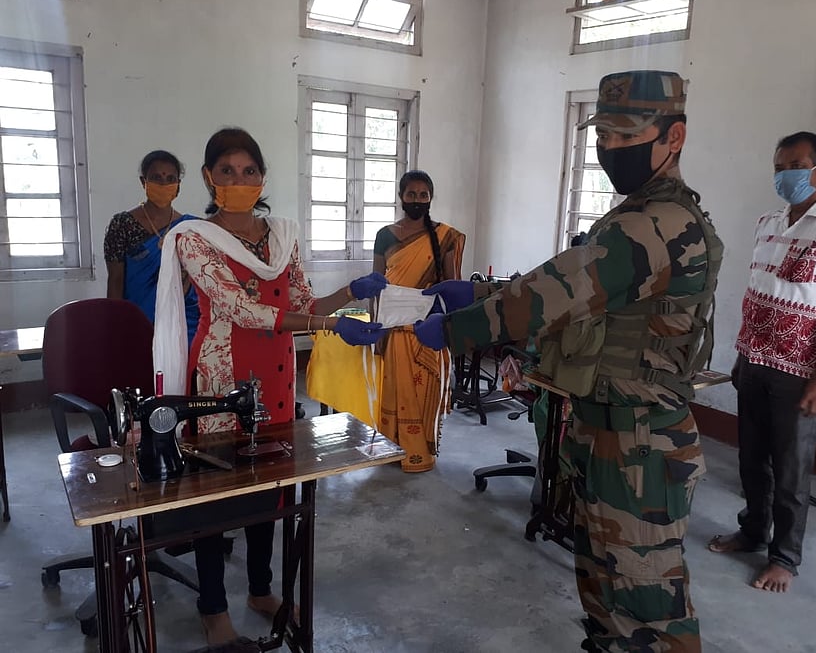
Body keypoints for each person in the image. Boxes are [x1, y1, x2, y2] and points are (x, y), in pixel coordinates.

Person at [414, 70, 721, 652]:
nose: (611, 149)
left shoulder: (659, 223)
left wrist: (455, 327)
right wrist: (481, 292)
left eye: (627, 136)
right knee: (606, 589)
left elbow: (552, 295)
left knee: (648, 605)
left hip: (640, 444)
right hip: (606, 431)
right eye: (603, 135)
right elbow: (576, 283)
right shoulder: (638, 216)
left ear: (673, 136)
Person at [153, 127, 387, 645]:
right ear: (209, 177)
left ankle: (261, 591)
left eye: (250, 171)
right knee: (214, 489)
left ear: (263, 177)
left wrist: (351, 292)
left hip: (276, 374)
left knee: (270, 484)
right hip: (220, 373)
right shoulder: (194, 237)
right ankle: (213, 608)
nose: (240, 180)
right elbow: (241, 309)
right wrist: (327, 326)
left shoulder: (281, 234)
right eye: (228, 171)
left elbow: (302, 301)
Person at [708, 131, 816, 593]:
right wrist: (742, 356)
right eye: (778, 167)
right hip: (755, 361)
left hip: (799, 372)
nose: (784, 176)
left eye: (794, 167)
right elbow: (762, 294)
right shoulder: (769, 222)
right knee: (751, 460)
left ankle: (784, 557)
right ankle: (752, 531)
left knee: (791, 470)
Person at [372, 170, 465, 472]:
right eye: (411, 194)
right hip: (395, 326)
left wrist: (450, 327)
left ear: (430, 199)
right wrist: (376, 324)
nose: (417, 200)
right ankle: (391, 446)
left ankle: (420, 452)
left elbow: (452, 285)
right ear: (401, 197)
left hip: (428, 328)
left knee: (425, 390)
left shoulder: (445, 236)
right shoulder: (385, 235)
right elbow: (376, 284)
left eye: (423, 195)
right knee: (397, 389)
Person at [103, 150, 200, 342]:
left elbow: (196, 283)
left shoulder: (189, 228)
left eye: (170, 178)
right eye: (156, 178)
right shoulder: (123, 225)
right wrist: (115, 324)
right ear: (143, 181)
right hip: (136, 322)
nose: (164, 184)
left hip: (182, 325)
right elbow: (115, 280)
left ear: (178, 186)